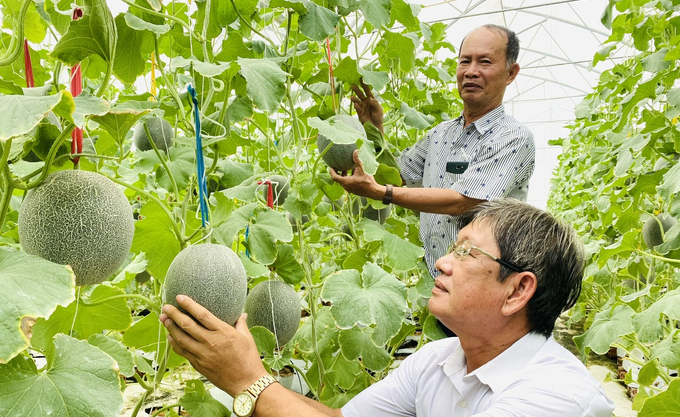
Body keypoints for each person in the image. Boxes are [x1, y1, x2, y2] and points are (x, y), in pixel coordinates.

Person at [159, 199, 615, 417]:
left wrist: (246, 382)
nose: (441, 260)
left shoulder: (553, 398)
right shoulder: (439, 360)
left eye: (465, 252)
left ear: (518, 291)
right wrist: (247, 371)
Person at [331, 24, 535, 280]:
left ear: (511, 72)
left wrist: (383, 194)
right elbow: (397, 175)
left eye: (484, 62)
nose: (471, 72)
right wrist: (374, 129)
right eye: (465, 61)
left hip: (488, 284)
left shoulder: (513, 137)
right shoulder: (440, 134)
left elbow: (462, 202)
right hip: (439, 280)